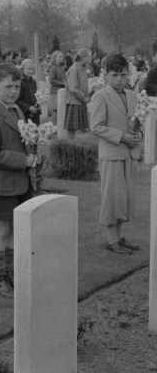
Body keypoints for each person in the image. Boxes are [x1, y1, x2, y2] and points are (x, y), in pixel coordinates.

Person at [0, 62, 35, 297]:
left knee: (15, 230)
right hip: (2, 183)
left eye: (17, 86)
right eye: (8, 86)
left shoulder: (18, 111)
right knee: (2, 230)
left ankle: (11, 273)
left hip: (22, 182)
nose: (13, 91)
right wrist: (23, 161)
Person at [90, 53, 142, 255]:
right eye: (115, 75)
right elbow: (96, 127)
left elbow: (137, 121)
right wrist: (122, 137)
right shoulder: (100, 96)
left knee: (125, 197)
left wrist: (138, 135)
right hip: (112, 153)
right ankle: (111, 240)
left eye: (123, 74)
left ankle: (120, 237)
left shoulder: (131, 95)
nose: (119, 79)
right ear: (105, 76)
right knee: (112, 196)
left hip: (129, 153)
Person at [64, 48, 91, 139]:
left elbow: (83, 85)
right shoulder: (73, 69)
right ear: (84, 57)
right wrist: (84, 98)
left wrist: (89, 94)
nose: (91, 59)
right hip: (74, 101)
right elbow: (73, 88)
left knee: (80, 129)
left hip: (80, 101)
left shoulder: (82, 69)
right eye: (89, 57)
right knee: (71, 128)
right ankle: (70, 146)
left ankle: (75, 146)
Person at [17, 59, 41, 125]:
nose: (31, 71)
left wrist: (39, 102)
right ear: (23, 69)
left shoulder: (33, 81)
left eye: (32, 69)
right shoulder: (20, 82)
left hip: (35, 112)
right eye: (29, 69)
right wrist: (28, 107)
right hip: (25, 113)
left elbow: (36, 96)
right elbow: (17, 100)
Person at [48, 50, 67, 124]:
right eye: (59, 56)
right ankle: (54, 126)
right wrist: (63, 83)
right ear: (55, 58)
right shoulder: (53, 68)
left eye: (62, 56)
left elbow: (64, 78)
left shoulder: (62, 67)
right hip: (55, 91)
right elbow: (51, 80)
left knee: (61, 108)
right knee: (56, 109)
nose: (61, 58)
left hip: (62, 90)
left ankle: (60, 125)